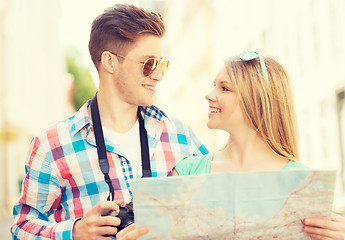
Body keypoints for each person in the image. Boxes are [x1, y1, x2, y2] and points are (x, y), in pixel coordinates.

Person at [11, 4, 208, 240]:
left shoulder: (180, 134)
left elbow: (222, 203)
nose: (158, 75)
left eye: (162, 64)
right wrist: (74, 232)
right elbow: (21, 227)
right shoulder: (50, 145)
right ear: (110, 62)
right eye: (148, 63)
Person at [173, 51, 345, 240]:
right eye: (214, 86)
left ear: (255, 99)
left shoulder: (303, 183)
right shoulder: (185, 173)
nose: (208, 95)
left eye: (224, 88)